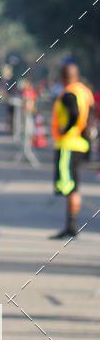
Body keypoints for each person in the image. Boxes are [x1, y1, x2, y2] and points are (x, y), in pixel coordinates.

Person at [50, 61, 94, 238]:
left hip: (68, 144)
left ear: (62, 77)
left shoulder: (69, 93)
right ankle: (70, 225)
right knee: (73, 186)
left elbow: (75, 114)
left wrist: (65, 129)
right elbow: (90, 116)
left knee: (70, 187)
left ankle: (71, 226)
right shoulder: (85, 91)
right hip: (81, 143)